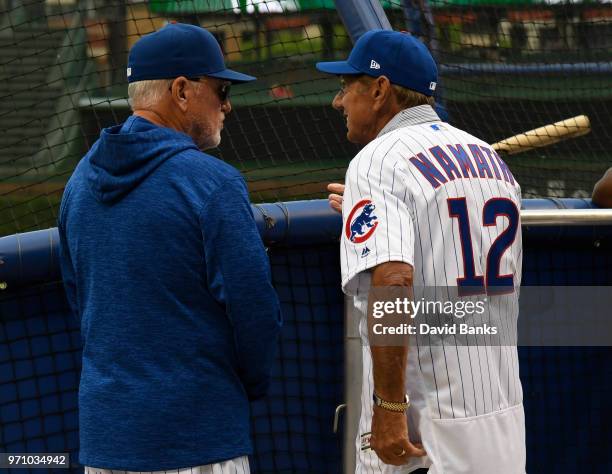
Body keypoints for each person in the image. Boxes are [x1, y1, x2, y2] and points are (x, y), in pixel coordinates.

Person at [58, 23, 282, 474]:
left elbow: (77, 301)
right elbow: (254, 313)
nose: (228, 106)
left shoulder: (77, 184)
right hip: (197, 440)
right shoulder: (213, 183)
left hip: (106, 443)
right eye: (220, 90)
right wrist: (242, 387)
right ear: (181, 91)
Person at [317, 30, 525, 473]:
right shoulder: (490, 158)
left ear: (379, 89)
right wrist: (366, 219)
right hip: (500, 409)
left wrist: (389, 406)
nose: (339, 102)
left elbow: (394, 281)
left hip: (421, 422)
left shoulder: (376, 160)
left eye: (346, 86)